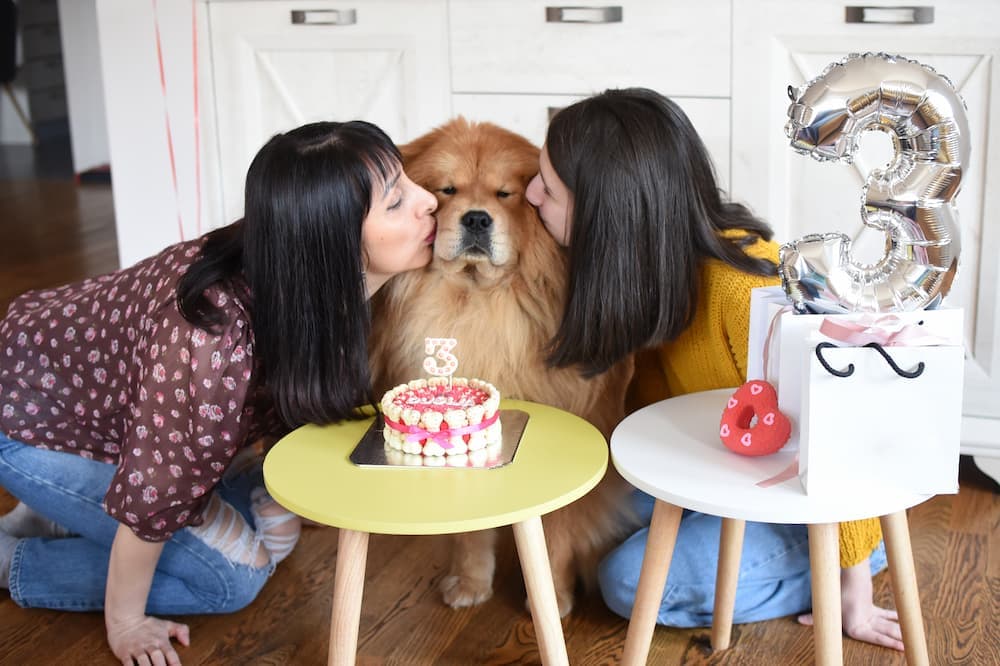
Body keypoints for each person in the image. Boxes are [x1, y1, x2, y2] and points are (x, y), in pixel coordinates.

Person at [0, 120, 438, 665]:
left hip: (120, 420)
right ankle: (13, 556)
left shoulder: (294, 264)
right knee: (232, 582)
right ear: (331, 237)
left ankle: (60, 513)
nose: (427, 201)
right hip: (33, 425)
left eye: (407, 182)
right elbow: (156, 493)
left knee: (269, 529)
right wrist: (127, 622)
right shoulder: (210, 345)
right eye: (396, 201)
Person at [525, 88, 903, 651]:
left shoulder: (746, 289)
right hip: (723, 466)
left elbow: (839, 433)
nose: (531, 195)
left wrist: (849, 587)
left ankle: (845, 564)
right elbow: (655, 402)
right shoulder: (651, 269)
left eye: (549, 188)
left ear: (607, 212)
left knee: (625, 581)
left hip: (813, 500)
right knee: (582, 520)